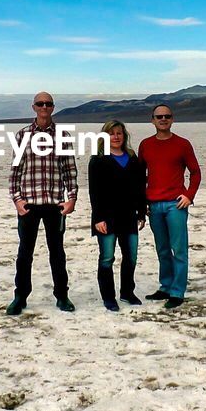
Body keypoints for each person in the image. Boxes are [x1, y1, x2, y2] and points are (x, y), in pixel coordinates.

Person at [7, 91, 77, 315]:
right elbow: (15, 172)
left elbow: (70, 170)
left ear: (53, 107)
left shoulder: (63, 136)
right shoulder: (22, 136)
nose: (44, 107)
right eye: (40, 104)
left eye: (48, 104)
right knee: (24, 253)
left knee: (57, 252)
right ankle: (20, 296)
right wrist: (17, 200)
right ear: (34, 107)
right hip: (28, 205)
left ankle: (62, 296)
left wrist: (72, 198)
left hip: (55, 204)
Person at [137, 103, 201, 309]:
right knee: (162, 249)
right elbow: (139, 177)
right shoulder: (145, 145)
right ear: (152, 120)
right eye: (159, 116)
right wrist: (142, 202)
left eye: (167, 116)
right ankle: (165, 286)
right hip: (154, 205)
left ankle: (177, 291)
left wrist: (189, 195)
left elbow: (195, 172)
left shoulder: (182, 144)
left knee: (179, 249)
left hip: (176, 204)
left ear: (172, 119)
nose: (163, 119)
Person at [87, 119, 147, 312]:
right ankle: (109, 297)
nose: (116, 137)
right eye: (112, 133)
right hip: (107, 217)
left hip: (129, 216)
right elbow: (94, 192)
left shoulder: (132, 157)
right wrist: (98, 218)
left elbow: (139, 187)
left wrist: (141, 212)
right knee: (107, 258)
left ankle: (127, 292)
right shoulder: (98, 159)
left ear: (124, 135)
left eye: (119, 133)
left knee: (131, 257)